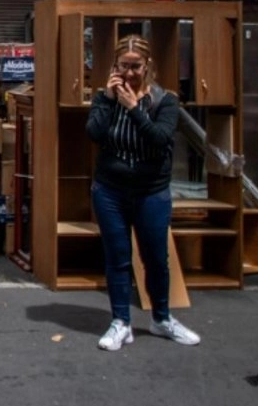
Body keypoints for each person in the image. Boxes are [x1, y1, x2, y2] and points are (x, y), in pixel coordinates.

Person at [85, 34, 201, 351]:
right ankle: (120, 322)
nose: (130, 73)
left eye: (136, 66)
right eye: (124, 66)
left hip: (151, 192)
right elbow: (93, 133)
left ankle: (161, 319)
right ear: (114, 66)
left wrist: (135, 109)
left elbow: (160, 139)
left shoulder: (165, 101)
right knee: (117, 257)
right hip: (110, 191)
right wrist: (109, 101)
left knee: (156, 260)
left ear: (147, 65)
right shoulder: (104, 98)